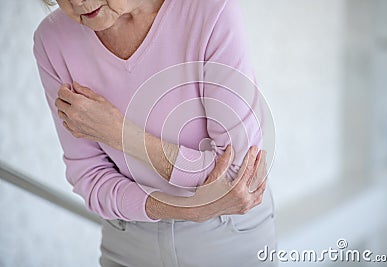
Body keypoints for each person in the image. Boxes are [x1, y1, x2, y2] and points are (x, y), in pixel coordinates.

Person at [34, 0, 276, 266]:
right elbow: (89, 177)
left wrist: (118, 132)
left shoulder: (210, 10)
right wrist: (186, 208)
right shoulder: (53, 39)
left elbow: (236, 175)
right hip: (127, 240)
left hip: (227, 231)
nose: (78, 2)